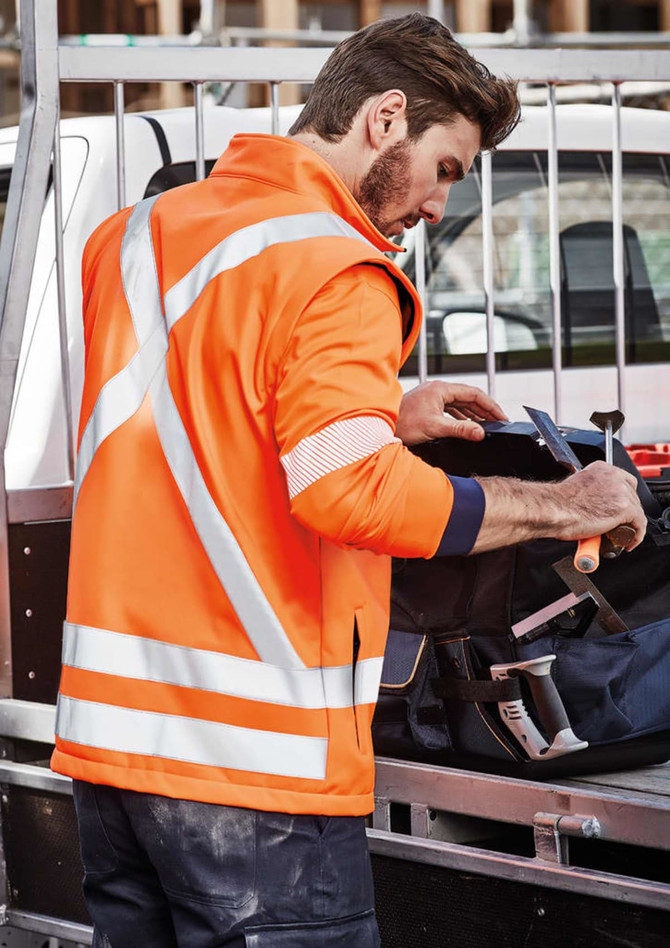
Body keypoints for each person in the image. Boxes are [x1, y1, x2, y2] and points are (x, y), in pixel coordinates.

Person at [51, 12, 646, 948]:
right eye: (446, 168)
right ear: (385, 117)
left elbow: (191, 408)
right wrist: (563, 505)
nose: (439, 205)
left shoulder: (136, 237)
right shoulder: (335, 263)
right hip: (254, 777)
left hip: (114, 748)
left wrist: (385, 412)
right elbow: (350, 493)